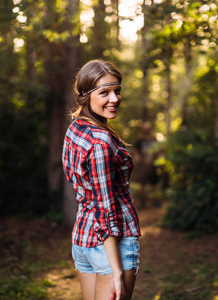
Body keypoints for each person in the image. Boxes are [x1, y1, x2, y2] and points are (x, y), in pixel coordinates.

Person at [62, 59, 141, 300]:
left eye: (117, 91)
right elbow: (105, 209)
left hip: (84, 238)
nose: (114, 99)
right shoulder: (100, 143)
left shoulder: (76, 129)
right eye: (104, 92)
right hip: (109, 246)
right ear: (86, 96)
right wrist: (116, 272)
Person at [133, 122, 159, 208]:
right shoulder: (140, 140)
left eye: (148, 128)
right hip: (143, 166)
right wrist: (138, 158)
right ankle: (142, 202)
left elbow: (158, 150)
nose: (147, 130)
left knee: (154, 184)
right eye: (145, 128)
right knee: (142, 185)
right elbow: (135, 150)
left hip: (152, 165)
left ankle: (154, 201)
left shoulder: (154, 139)